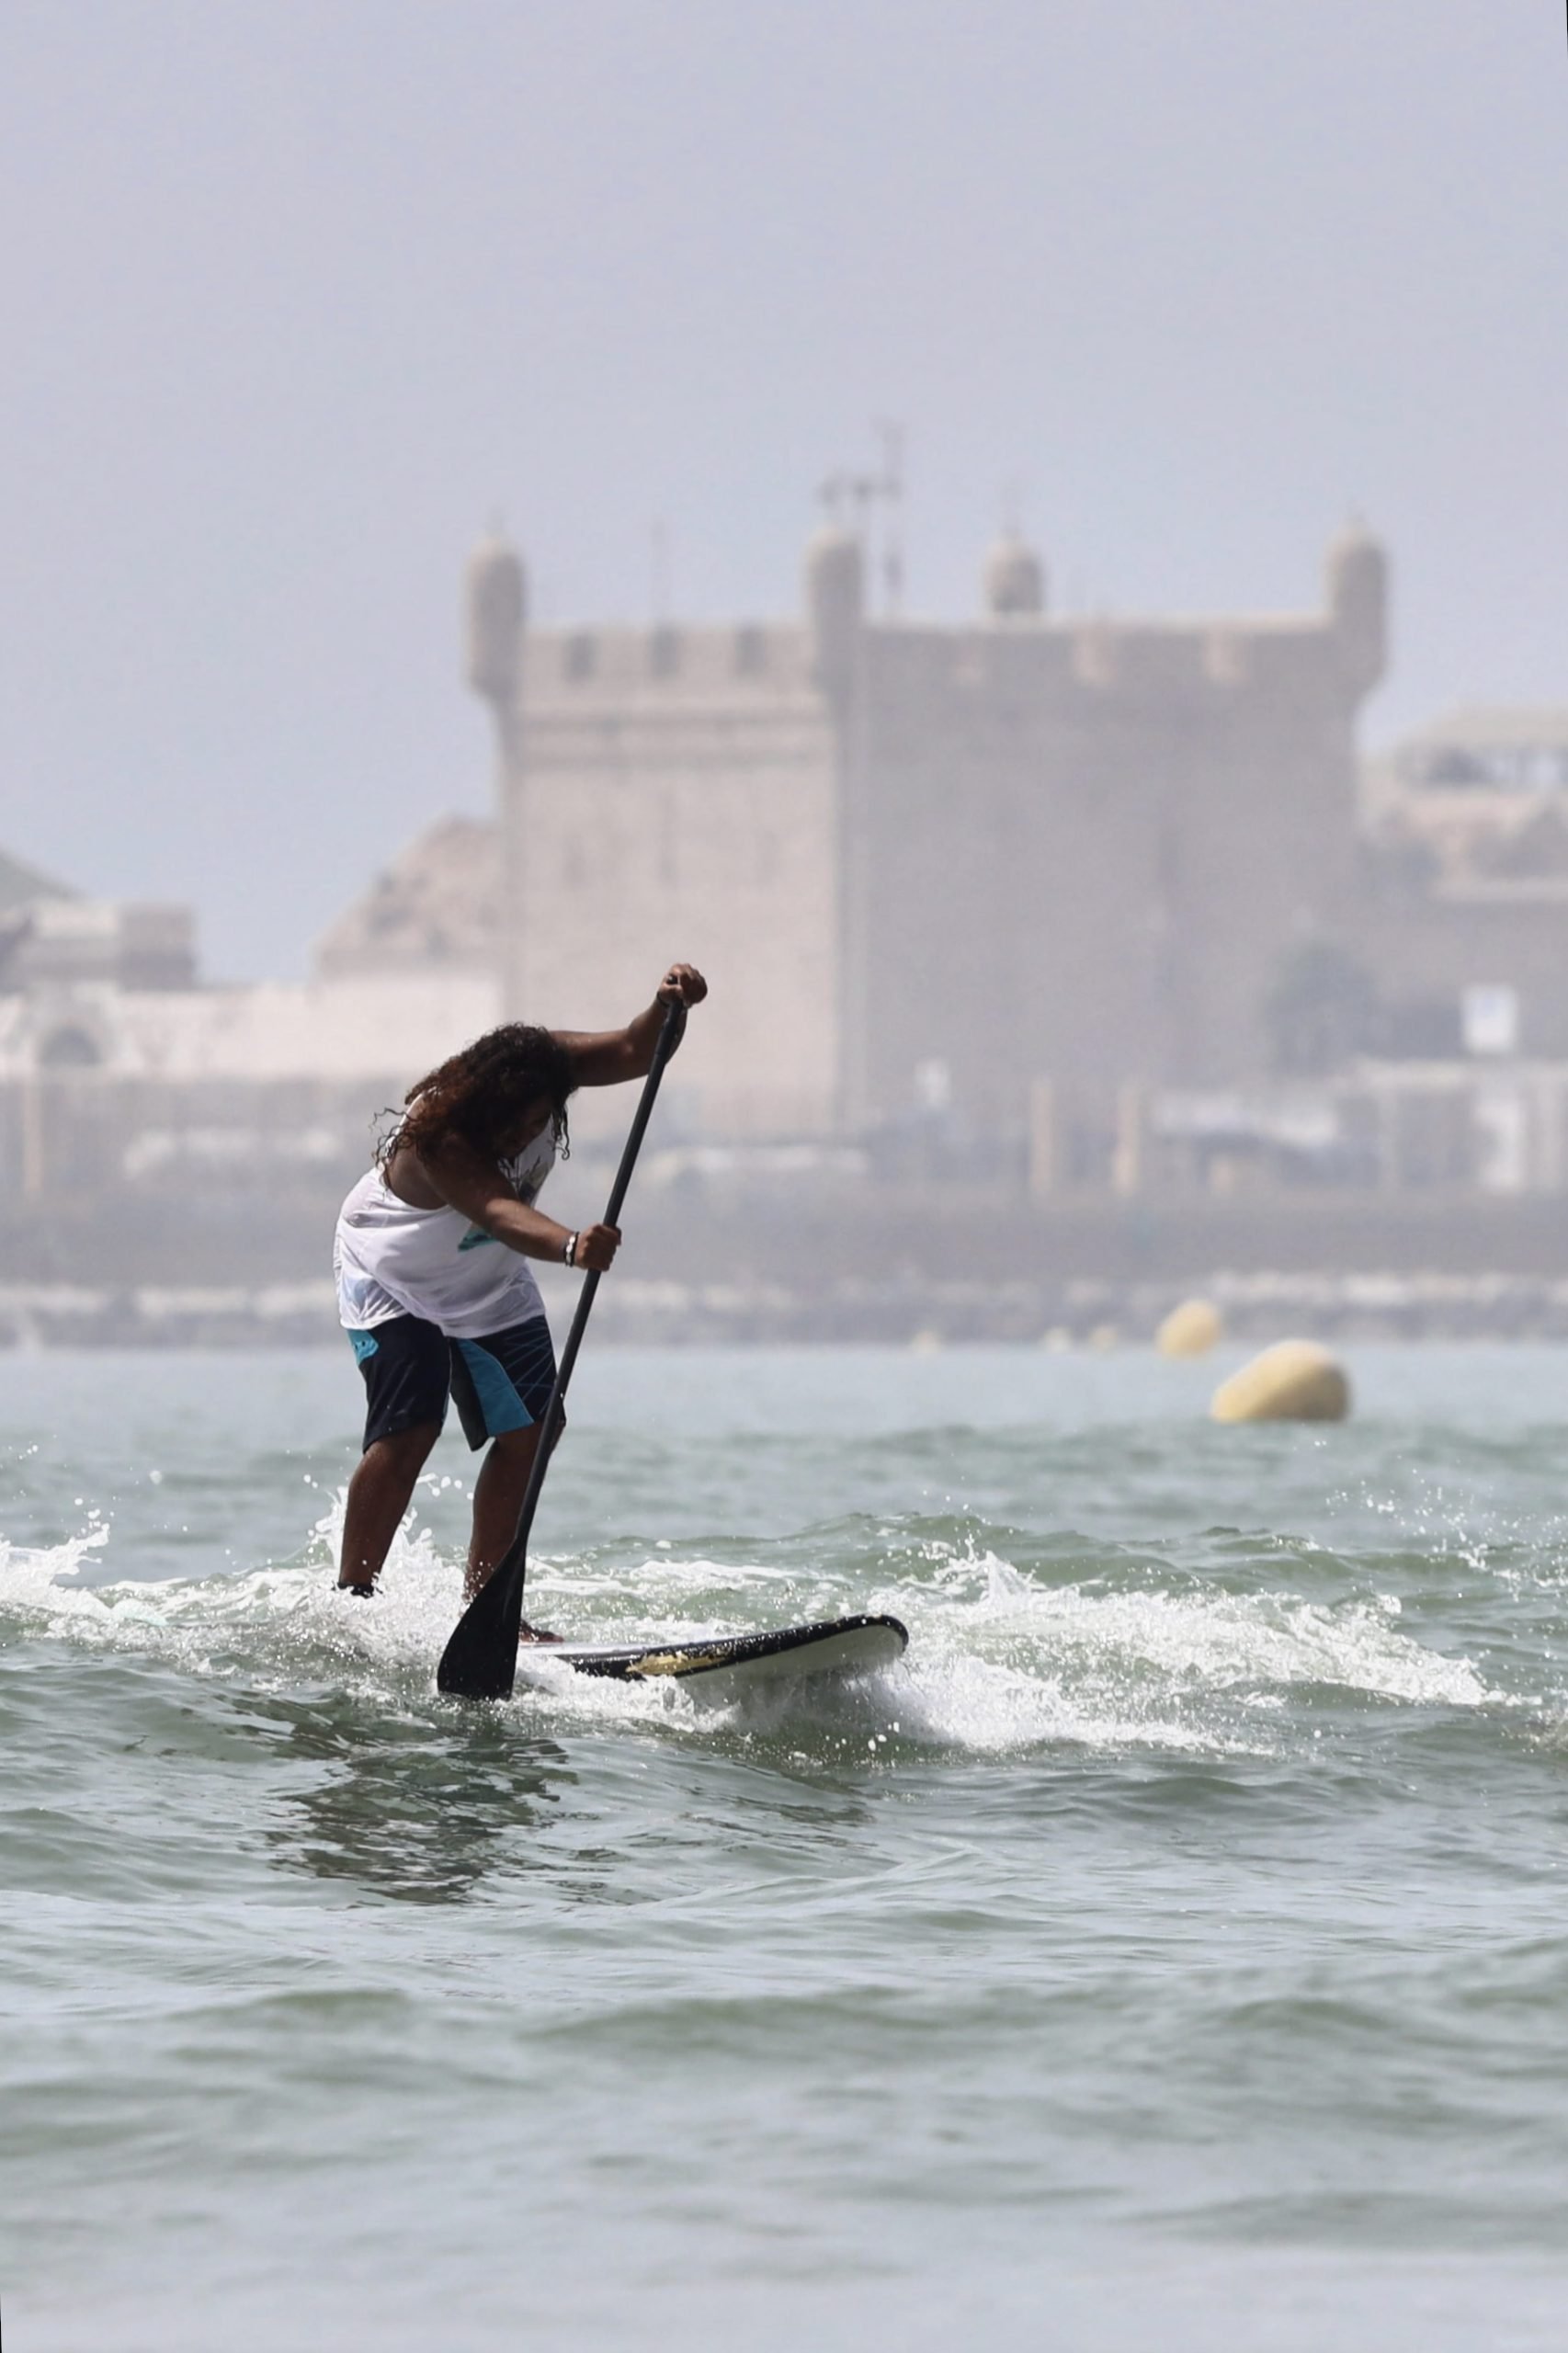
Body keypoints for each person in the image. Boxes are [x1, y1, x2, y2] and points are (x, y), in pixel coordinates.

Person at [333, 964, 707, 1628]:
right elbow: (499, 1210)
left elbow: (633, 1049)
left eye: (533, 1122)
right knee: (412, 1426)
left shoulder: (545, 1066)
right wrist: (570, 1247)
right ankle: (351, 1605)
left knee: (534, 1432)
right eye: (506, 1127)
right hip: (392, 1278)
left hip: (485, 1279)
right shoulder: (440, 1134)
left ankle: (488, 1609)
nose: (518, 1136)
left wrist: (665, 1006)